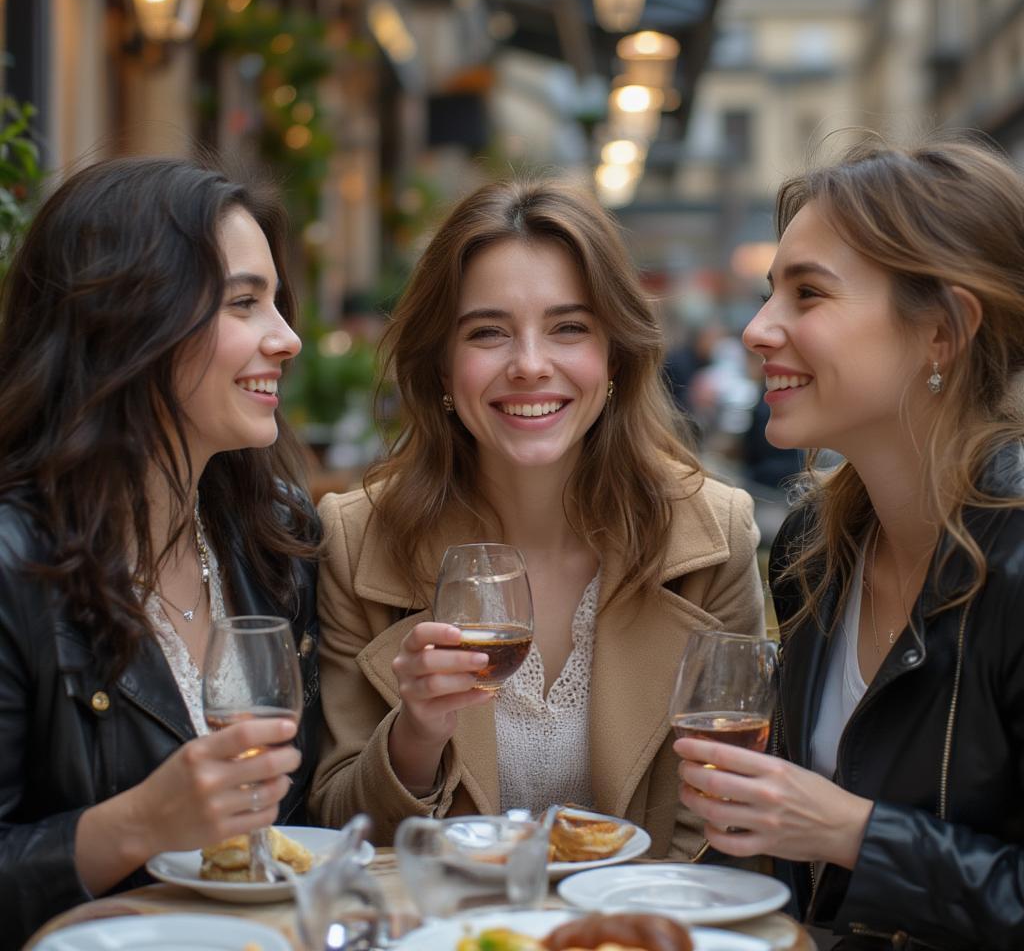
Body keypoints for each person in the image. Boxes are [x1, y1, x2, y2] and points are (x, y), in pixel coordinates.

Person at [311, 176, 764, 856]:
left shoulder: (713, 535)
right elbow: (333, 832)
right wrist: (416, 735)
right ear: (440, 365)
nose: (529, 365)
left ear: (614, 354)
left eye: (568, 328)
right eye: (488, 332)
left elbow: (726, 828)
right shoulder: (355, 541)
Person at [674, 138, 1024, 950]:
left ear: (943, 330)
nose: (759, 329)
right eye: (771, 294)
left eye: (808, 294)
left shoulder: (1015, 560)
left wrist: (857, 834)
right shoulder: (815, 548)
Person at [0, 157, 321, 947]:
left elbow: (303, 827)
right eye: (246, 303)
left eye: (276, 303)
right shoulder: (13, 565)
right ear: (129, 320)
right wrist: (141, 822)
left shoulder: (273, 537)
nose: (289, 338)